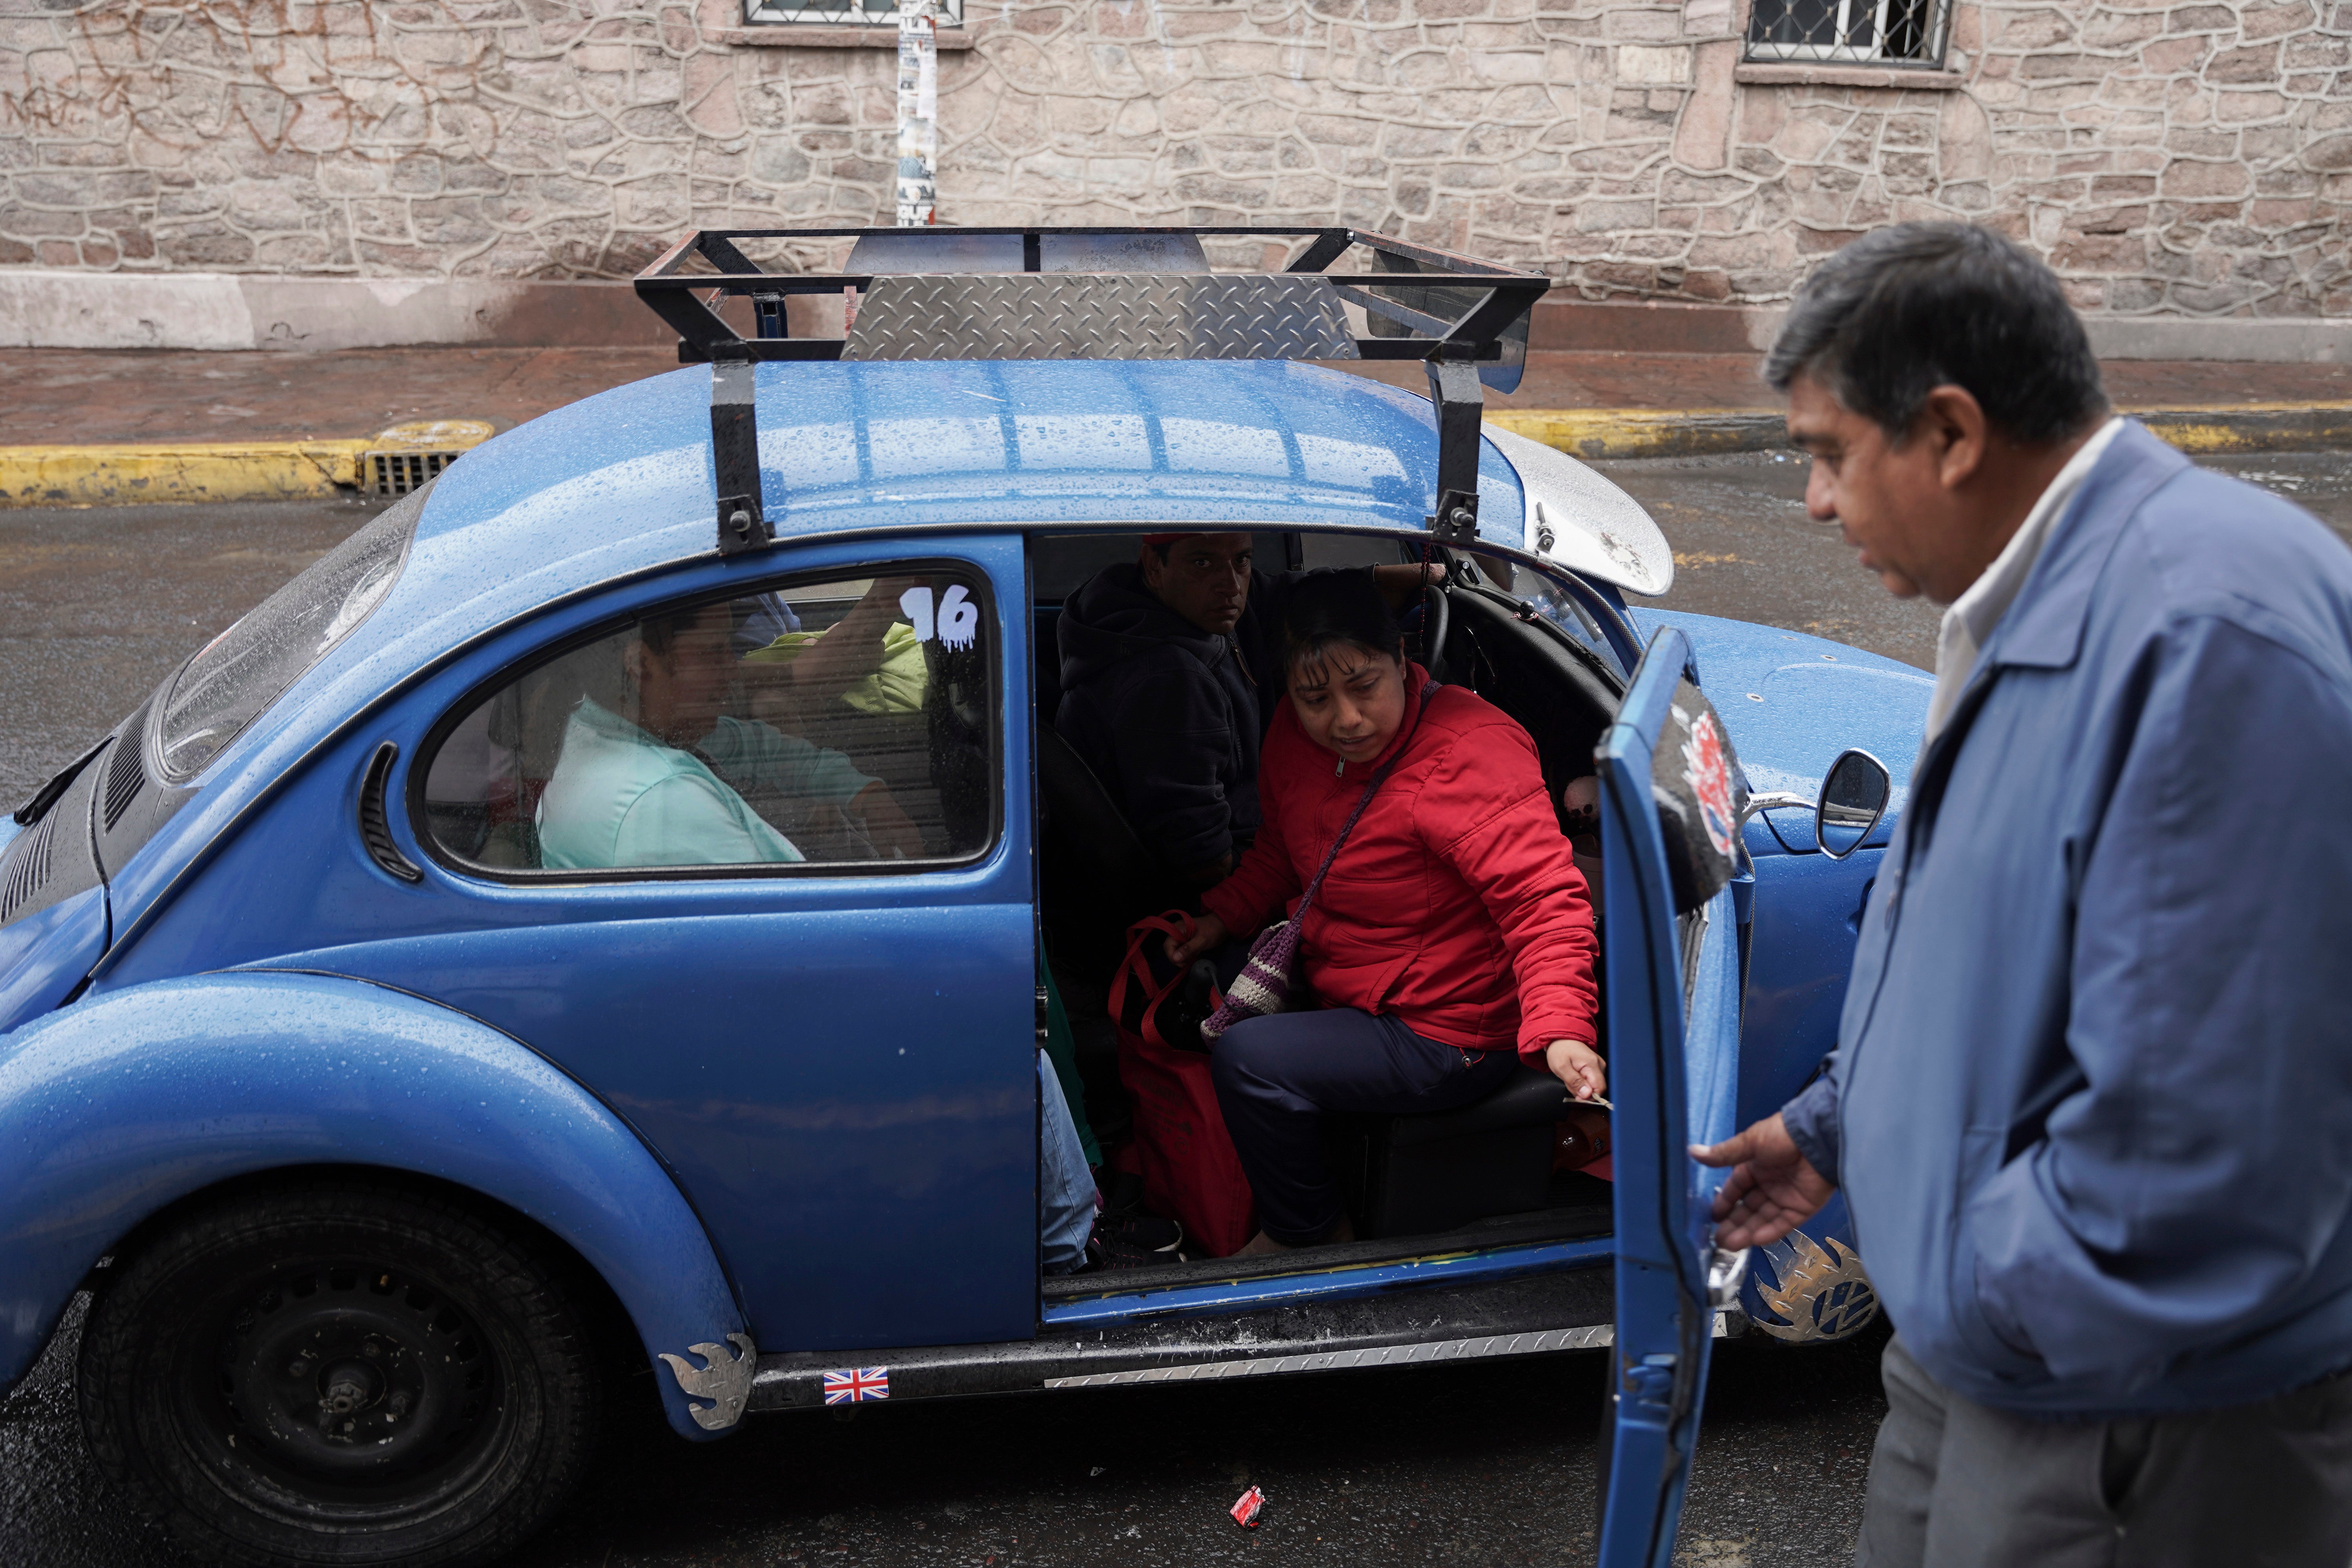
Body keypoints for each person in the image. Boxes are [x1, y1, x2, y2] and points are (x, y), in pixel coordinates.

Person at [1693, 222, 2352, 1566]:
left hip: (2123, 1413)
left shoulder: (2203, 637)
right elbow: (1991, 937)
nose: (1815, 501)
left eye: (1829, 454)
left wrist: (1989, 1294)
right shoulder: (2041, 593)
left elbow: (2218, 1146)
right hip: (2007, 1362)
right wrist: (1845, 1125)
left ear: (1948, 431)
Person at [1167, 571, 1604, 1256]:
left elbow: (1543, 903)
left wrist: (1561, 1029)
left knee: (1249, 1059)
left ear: (1402, 661)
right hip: (1357, 974)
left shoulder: (1469, 754)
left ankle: (1309, 1237)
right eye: (1316, 698)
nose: (1344, 719)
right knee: (1204, 983)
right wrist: (1219, 919)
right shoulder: (1294, 733)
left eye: (1364, 687)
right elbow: (1285, 852)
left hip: (1448, 1027)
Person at [1054, 533, 1442, 887]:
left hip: (1254, 820)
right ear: (1156, 566)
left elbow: (1290, 594)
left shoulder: (1193, 604)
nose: (1231, 585)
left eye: (1241, 560)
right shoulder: (1167, 680)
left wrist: (1418, 576)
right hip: (1198, 885)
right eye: (1202, 563)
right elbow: (1203, 862)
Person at [535, 600, 923, 869]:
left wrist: (867, 794)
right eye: (712, 653)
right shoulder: (662, 806)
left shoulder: (605, 732)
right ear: (640, 665)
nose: (732, 672)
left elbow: (756, 748)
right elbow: (793, 939)